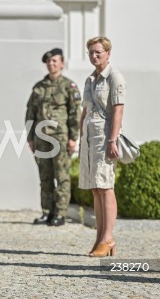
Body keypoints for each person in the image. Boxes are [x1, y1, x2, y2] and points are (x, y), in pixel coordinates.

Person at [79, 36, 125, 257]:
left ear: (108, 53)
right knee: (95, 187)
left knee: (106, 186)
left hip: (104, 135)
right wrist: (80, 136)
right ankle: (100, 236)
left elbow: (118, 110)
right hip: (89, 137)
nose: (94, 56)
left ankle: (108, 237)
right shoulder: (90, 79)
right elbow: (85, 110)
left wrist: (112, 140)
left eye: (98, 52)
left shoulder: (114, 77)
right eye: (91, 53)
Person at [26, 48, 81, 226]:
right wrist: (30, 137)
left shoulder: (68, 87)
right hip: (42, 139)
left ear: (62, 63)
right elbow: (30, 114)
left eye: (55, 61)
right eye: (49, 62)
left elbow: (75, 114)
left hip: (60, 138)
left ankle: (60, 213)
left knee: (62, 175)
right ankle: (47, 212)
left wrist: (73, 138)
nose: (51, 64)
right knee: (45, 177)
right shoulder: (39, 87)